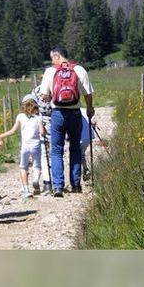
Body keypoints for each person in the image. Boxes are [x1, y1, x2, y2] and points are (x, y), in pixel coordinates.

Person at [39, 46, 94, 197]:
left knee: (56, 150)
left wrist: (51, 98)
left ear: (57, 56)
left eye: (52, 58)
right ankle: (75, 185)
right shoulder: (79, 70)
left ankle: (58, 186)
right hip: (75, 113)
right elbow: (88, 93)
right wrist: (90, 108)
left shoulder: (50, 72)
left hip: (58, 114)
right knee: (75, 148)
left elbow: (44, 95)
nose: (52, 61)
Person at [0, 95, 45, 198]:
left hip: (25, 146)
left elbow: (13, 131)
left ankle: (26, 190)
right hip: (36, 145)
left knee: (23, 167)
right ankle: (36, 179)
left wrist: (1, 136)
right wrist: (43, 132)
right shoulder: (38, 118)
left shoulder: (20, 117)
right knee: (37, 165)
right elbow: (42, 132)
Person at [32, 84, 52, 195]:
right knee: (57, 152)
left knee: (44, 154)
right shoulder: (55, 86)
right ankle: (58, 181)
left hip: (41, 122)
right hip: (56, 120)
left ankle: (47, 182)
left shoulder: (36, 90)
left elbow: (32, 106)